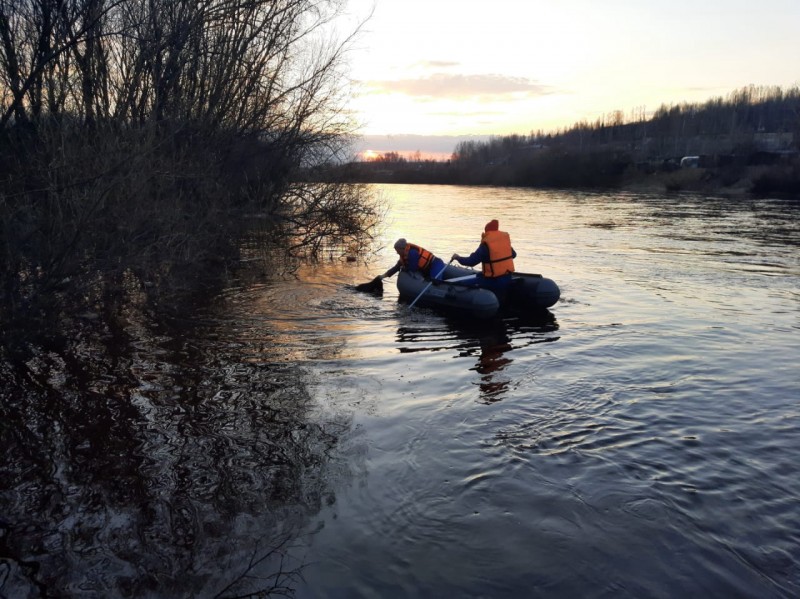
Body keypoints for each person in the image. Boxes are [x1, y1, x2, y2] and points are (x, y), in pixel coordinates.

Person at [450, 219, 517, 292]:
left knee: (461, 284)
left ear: (487, 232)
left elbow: (471, 262)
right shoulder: (504, 242)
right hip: (507, 277)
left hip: (493, 281)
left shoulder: (486, 245)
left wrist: (458, 258)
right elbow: (514, 255)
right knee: (480, 275)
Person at [380, 238, 446, 280]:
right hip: (427, 269)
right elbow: (395, 268)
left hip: (435, 264)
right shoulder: (403, 256)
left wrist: (404, 269)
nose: (397, 253)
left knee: (436, 282)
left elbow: (413, 268)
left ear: (402, 249)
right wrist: (382, 277)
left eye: (397, 251)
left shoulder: (412, 253)